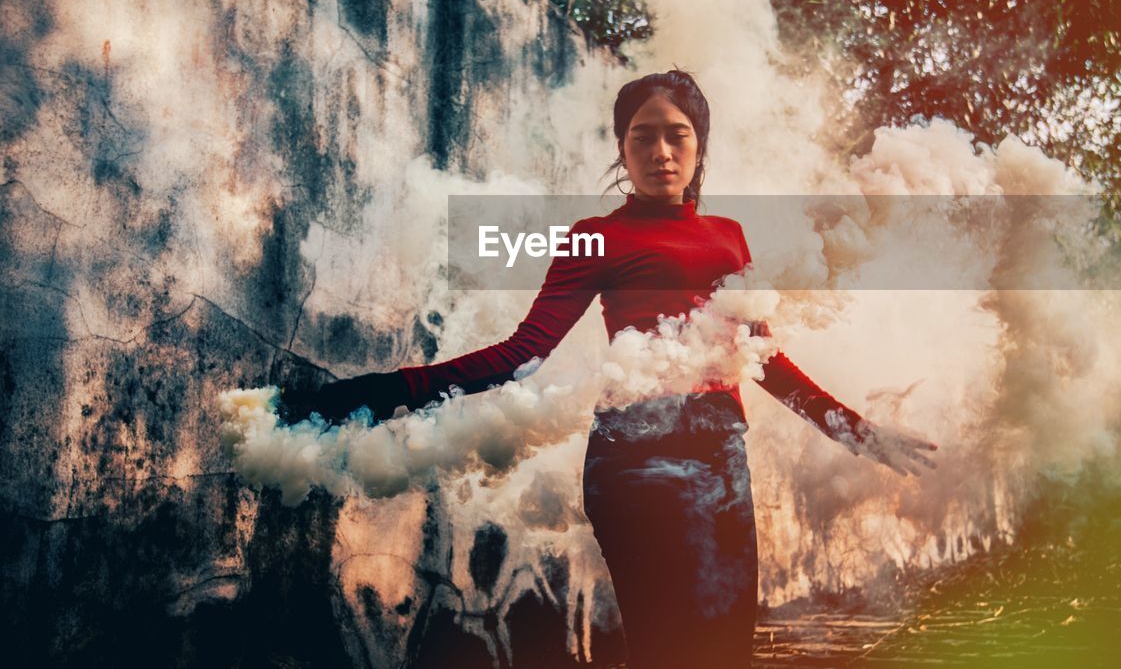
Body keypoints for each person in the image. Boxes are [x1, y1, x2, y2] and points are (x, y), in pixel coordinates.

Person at [281, 70, 938, 668]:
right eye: (641, 138)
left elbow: (764, 361)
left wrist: (861, 432)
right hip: (634, 461)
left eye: (676, 136)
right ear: (622, 151)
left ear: (699, 146)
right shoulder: (595, 238)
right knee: (665, 649)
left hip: (722, 459)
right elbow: (522, 355)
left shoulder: (730, 236)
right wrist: (388, 390)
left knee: (726, 651)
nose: (660, 152)